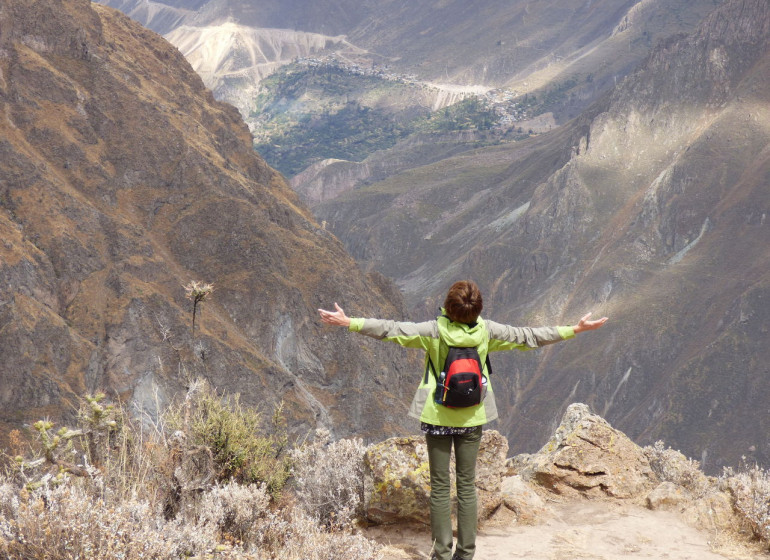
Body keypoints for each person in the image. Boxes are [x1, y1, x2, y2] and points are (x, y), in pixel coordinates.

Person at [318, 280, 607, 560]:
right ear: (477, 310)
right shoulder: (487, 332)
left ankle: (442, 554)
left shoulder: (433, 331)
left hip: (438, 416)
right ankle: (466, 554)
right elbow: (529, 336)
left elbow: (391, 330)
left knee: (441, 487)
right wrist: (575, 329)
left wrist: (349, 322)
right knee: (467, 486)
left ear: (447, 307)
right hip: (472, 417)